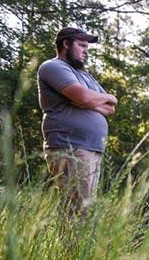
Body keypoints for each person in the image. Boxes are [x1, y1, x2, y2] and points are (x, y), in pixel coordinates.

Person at [38, 27, 118, 216]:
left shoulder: (85, 75)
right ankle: (69, 246)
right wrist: (88, 99)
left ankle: (75, 246)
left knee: (84, 209)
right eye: (81, 45)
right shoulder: (53, 67)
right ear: (66, 44)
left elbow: (111, 107)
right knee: (77, 211)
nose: (86, 50)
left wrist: (97, 100)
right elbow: (83, 97)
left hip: (90, 148)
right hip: (70, 146)